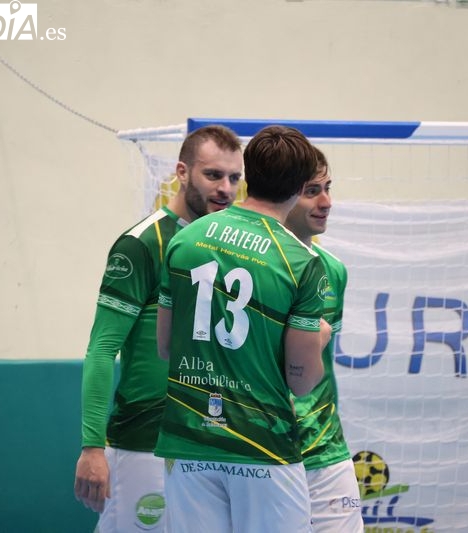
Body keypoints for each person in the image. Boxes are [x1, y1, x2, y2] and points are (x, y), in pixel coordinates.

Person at [155, 125, 332, 533]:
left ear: (249, 174)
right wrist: (319, 337)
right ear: (299, 186)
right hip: (262, 446)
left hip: (189, 440)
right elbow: (301, 381)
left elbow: (165, 347)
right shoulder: (301, 261)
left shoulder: (185, 239)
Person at [74, 125, 243, 532]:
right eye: (213, 175)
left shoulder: (231, 248)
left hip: (208, 443)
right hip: (143, 444)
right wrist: (92, 447)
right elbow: (102, 349)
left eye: (234, 177)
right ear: (182, 172)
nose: (225, 188)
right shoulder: (141, 244)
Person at [285, 148, 364, 532]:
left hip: (326, 449)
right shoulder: (253, 267)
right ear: (284, 196)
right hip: (267, 452)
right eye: (312, 191)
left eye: (328, 188)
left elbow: (318, 369)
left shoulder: (334, 271)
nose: (326, 202)